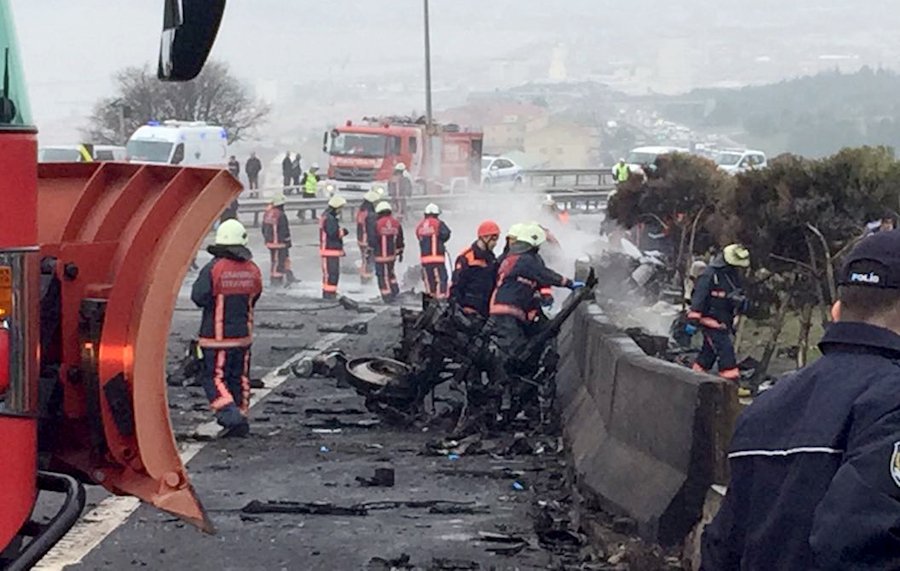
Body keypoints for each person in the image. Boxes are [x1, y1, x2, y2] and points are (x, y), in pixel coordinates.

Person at [701, 230, 900, 570]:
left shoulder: (766, 406)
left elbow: (722, 548)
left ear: (837, 310)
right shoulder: (892, 401)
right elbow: (858, 543)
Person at [190, 219, 262, 437]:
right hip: (243, 337)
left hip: (216, 338)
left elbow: (199, 297)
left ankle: (231, 417)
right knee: (239, 378)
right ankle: (241, 415)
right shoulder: (253, 269)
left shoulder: (213, 268)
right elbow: (255, 296)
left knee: (214, 378)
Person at [686, 244, 750, 382]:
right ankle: (731, 384)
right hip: (710, 321)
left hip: (724, 321)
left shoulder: (731, 276)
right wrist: (693, 320)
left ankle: (693, 379)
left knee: (707, 355)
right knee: (726, 354)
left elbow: (735, 294)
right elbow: (699, 298)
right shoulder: (709, 275)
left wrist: (741, 303)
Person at [450, 220, 501, 317]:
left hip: (484, 312)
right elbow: (456, 286)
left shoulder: (492, 260)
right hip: (467, 311)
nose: (495, 243)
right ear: (484, 237)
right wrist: (459, 309)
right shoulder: (466, 258)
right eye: (493, 239)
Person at [415, 203, 452, 299]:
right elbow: (446, 234)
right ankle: (441, 299)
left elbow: (418, 237)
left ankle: (430, 300)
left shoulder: (420, 226)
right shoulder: (438, 223)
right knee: (441, 279)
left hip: (425, 260)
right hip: (437, 259)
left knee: (429, 281)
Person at [370, 201, 404, 302]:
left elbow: (372, 240)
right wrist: (400, 252)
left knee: (383, 276)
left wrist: (370, 252)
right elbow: (400, 239)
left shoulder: (377, 224)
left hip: (380, 256)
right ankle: (394, 290)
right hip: (392, 256)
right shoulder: (396, 223)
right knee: (390, 273)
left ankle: (387, 295)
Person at [319, 195, 349, 299]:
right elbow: (333, 233)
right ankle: (328, 295)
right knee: (330, 274)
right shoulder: (330, 219)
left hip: (330, 251)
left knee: (332, 274)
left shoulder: (328, 217)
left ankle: (330, 293)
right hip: (329, 250)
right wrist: (343, 232)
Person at [261, 192, 293, 286]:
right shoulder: (281, 215)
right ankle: (276, 281)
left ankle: (288, 276)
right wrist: (288, 242)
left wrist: (267, 239)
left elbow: (263, 228)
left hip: (270, 242)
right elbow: (284, 230)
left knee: (278, 260)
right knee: (278, 262)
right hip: (279, 243)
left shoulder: (268, 213)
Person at [356, 190, 379, 284]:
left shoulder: (362, 211)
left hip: (361, 239)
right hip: (367, 240)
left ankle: (365, 278)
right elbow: (371, 229)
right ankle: (366, 280)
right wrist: (373, 243)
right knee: (368, 261)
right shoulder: (370, 214)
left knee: (365, 260)